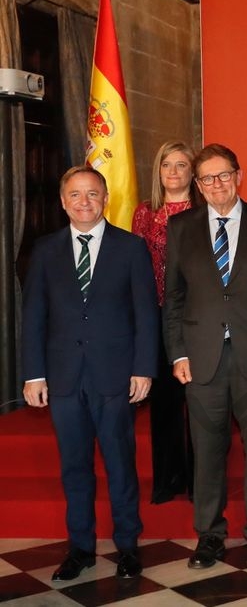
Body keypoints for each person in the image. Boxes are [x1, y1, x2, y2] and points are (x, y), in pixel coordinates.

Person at [164, 143, 247, 570]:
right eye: (207, 178)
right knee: (206, 451)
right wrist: (177, 353)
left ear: (239, 176)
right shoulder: (181, 227)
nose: (217, 184)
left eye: (224, 175)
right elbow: (173, 299)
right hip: (201, 358)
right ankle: (209, 535)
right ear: (197, 185)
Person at [22, 166, 158, 581]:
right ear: (63, 202)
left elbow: (145, 314)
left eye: (93, 194)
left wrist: (143, 369)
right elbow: (34, 317)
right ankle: (80, 547)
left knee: (120, 463)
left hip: (115, 375)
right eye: (76, 195)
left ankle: (128, 546)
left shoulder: (131, 248)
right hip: (63, 377)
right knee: (74, 466)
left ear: (105, 199)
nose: (85, 202)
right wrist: (33, 375)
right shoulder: (44, 251)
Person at [131, 140, 198, 505]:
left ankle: (197, 479)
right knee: (165, 403)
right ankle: (167, 478)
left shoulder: (203, 209)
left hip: (197, 316)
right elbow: (137, 270)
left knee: (200, 402)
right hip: (157, 317)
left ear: (192, 171)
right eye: (166, 165)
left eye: (181, 165)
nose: (173, 172)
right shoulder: (145, 213)